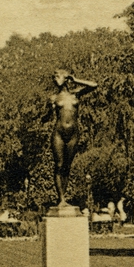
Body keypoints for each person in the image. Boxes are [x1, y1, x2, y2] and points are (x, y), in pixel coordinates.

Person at [46, 70, 97, 208]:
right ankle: (61, 199)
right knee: (59, 165)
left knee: (67, 167)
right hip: (58, 133)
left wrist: (76, 79)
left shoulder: (76, 94)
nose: (55, 79)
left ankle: (64, 198)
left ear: (66, 78)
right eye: (54, 77)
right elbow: (46, 117)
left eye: (58, 76)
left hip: (74, 133)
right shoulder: (53, 97)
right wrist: (49, 110)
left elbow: (94, 85)